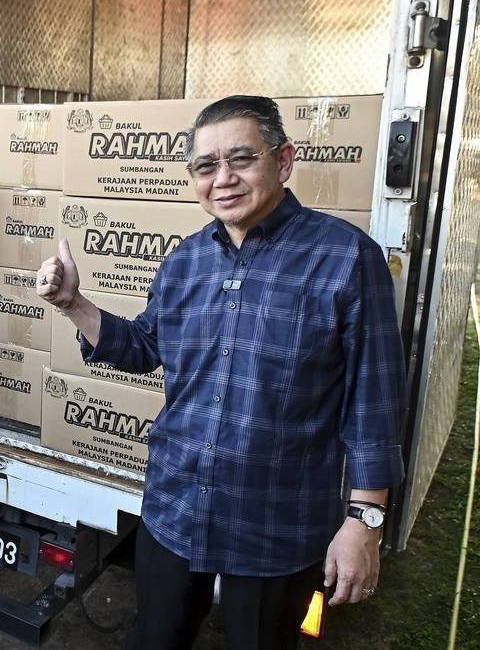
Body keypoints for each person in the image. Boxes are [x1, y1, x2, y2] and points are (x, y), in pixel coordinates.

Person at [36, 95, 406, 650]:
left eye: (242, 160)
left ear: (283, 162)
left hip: (275, 524)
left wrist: (365, 524)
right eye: (206, 166)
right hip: (175, 508)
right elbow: (144, 347)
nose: (223, 179)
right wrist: (75, 304)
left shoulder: (346, 258)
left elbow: (374, 401)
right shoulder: (185, 260)